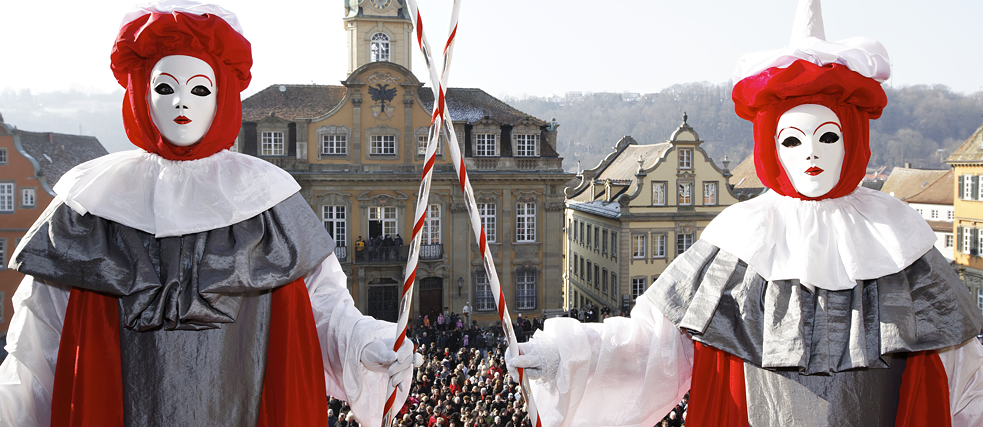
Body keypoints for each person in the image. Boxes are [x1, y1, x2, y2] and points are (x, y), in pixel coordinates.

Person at [506, 1, 983, 426]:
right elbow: (653, 345)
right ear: (770, 146)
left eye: (828, 136)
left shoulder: (898, 238)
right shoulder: (741, 234)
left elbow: (964, 379)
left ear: (853, 137)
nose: (811, 154)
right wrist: (560, 356)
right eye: (792, 139)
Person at [0, 3, 415, 426]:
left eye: (199, 88)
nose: (181, 101)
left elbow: (325, 311)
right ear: (140, 91)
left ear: (223, 94)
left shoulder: (269, 201)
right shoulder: (89, 205)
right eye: (164, 88)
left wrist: (366, 345)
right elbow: (37, 345)